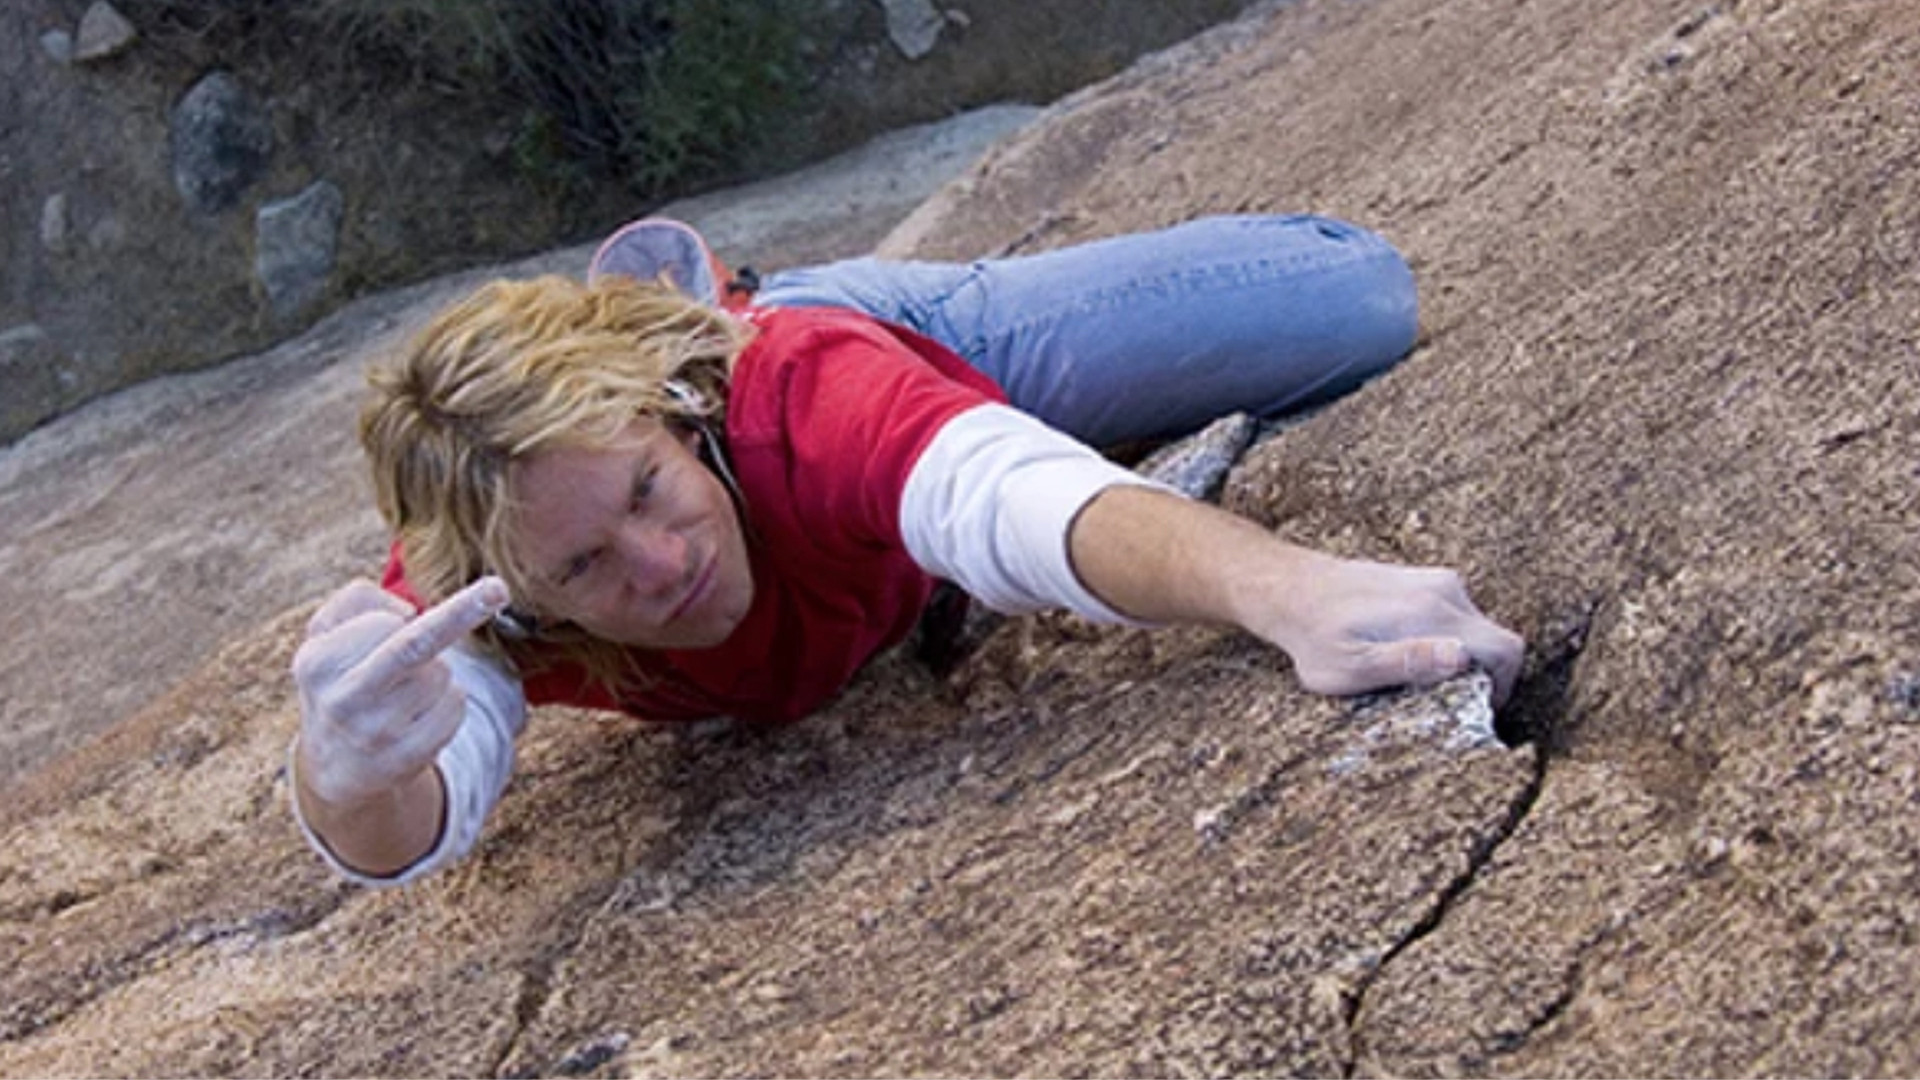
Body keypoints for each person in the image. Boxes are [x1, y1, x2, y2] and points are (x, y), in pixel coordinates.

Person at [290, 214, 1525, 886]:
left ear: (672, 414)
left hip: (864, 336)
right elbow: (419, 815)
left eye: (650, 490)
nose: (658, 566)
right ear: (519, 584)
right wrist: (344, 777)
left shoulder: (792, 406)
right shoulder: (474, 602)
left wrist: (1289, 590)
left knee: (1352, 299)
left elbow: (1008, 500)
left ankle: (763, 306)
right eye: (586, 568)